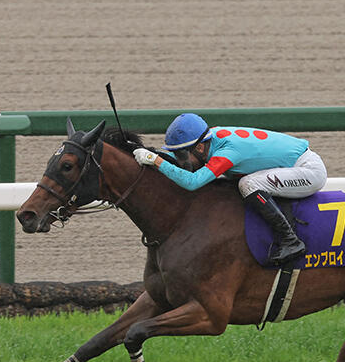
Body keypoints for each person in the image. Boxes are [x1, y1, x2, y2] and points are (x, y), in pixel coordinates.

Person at [132, 113, 328, 265]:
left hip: (308, 172)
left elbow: (192, 182)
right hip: (294, 164)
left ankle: (290, 240)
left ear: (199, 148)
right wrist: (155, 154)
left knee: (248, 184)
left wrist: (156, 161)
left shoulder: (228, 152)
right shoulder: (209, 138)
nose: (182, 161)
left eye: (182, 155)